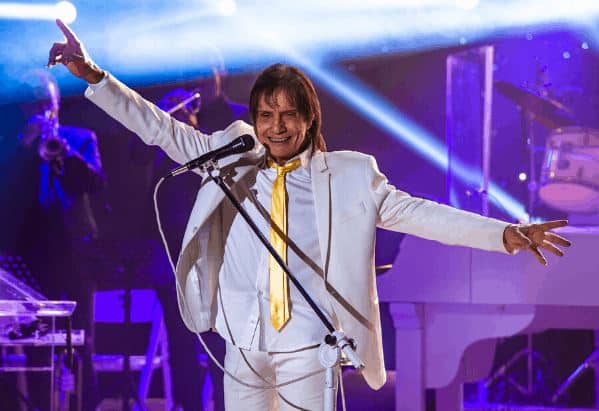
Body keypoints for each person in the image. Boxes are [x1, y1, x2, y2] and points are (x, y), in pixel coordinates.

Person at [48, 19, 571, 410]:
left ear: (308, 118)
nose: (275, 127)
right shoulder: (231, 157)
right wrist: (92, 76)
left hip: (308, 347)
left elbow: (421, 214)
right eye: (265, 115)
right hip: (244, 344)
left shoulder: (348, 176)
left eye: (288, 115)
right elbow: (159, 128)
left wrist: (506, 233)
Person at [0, 68, 105, 410]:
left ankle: (85, 405)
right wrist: (25, 148)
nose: (41, 106)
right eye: (33, 100)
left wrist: (66, 154)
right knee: (36, 344)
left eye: (46, 98)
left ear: (57, 101)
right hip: (30, 257)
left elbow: (95, 184)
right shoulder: (14, 145)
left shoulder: (81, 137)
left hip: (76, 253)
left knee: (82, 344)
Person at [152, 65, 250, 411]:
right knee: (180, 341)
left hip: (223, 249)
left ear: (222, 72)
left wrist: (193, 134)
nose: (201, 82)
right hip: (175, 245)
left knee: (223, 342)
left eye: (207, 72)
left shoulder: (240, 118)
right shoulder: (175, 113)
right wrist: (167, 129)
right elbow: (150, 180)